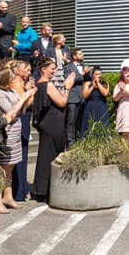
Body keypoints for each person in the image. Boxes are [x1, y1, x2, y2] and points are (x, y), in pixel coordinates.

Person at [30, 58, 73, 202]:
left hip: (47, 123)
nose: (54, 71)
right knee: (51, 156)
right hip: (53, 124)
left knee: (45, 155)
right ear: (43, 69)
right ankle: (45, 190)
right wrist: (67, 87)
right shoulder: (47, 85)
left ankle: (42, 189)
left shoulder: (39, 85)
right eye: (52, 68)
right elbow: (62, 102)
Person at [0, 61, 26, 213]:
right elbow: (11, 111)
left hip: (16, 131)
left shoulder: (12, 92)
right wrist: (24, 97)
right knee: (2, 167)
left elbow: (22, 111)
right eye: (10, 76)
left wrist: (23, 99)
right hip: (7, 132)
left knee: (10, 166)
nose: (13, 78)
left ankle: (8, 196)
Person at [10, 60, 33, 204]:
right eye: (27, 69)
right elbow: (23, 104)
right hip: (21, 119)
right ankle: (19, 191)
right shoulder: (17, 84)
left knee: (23, 154)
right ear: (18, 71)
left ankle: (21, 189)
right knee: (20, 154)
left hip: (25, 120)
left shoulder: (21, 84)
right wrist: (30, 93)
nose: (29, 72)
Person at [63, 50, 87, 146]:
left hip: (82, 97)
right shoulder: (68, 67)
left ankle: (79, 141)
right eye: (80, 54)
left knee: (80, 121)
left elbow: (88, 79)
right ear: (74, 56)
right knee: (71, 121)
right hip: (72, 98)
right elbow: (69, 80)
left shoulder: (84, 66)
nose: (83, 55)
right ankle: (70, 143)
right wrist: (82, 74)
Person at [80, 66, 110, 136]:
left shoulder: (105, 84)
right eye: (96, 74)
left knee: (102, 126)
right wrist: (93, 86)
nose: (98, 76)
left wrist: (98, 83)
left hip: (102, 107)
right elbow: (85, 95)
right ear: (92, 75)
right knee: (89, 126)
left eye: (100, 74)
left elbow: (105, 93)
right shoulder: (87, 83)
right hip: (90, 106)